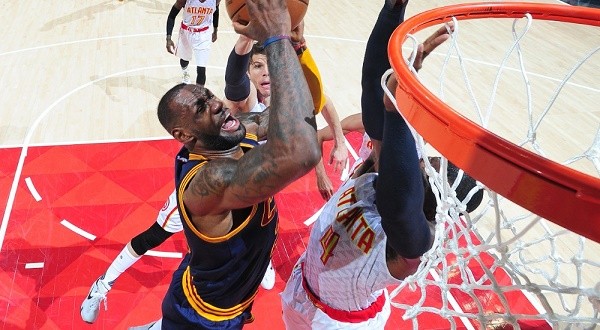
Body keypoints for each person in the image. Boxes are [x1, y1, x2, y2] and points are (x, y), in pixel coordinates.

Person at [280, 2, 481, 329]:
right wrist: (393, 9)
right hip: (302, 287)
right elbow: (374, 87)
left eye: (437, 167)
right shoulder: (385, 170)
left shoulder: (414, 245)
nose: (431, 159)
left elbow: (399, 203)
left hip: (338, 322)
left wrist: (395, 114)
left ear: (438, 196)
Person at [132, 0, 321, 327]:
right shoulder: (211, 180)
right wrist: (277, 37)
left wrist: (296, 46)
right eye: (202, 108)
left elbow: (295, 113)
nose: (217, 105)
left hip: (218, 287)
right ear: (184, 135)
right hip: (202, 316)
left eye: (210, 96)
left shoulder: (230, 132)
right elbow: (301, 151)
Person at [166, 0, 220, 85]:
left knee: (201, 69)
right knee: (184, 59)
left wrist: (215, 29)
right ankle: (185, 72)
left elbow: (216, 9)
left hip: (204, 34)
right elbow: (172, 16)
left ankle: (199, 96)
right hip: (186, 31)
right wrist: (168, 38)